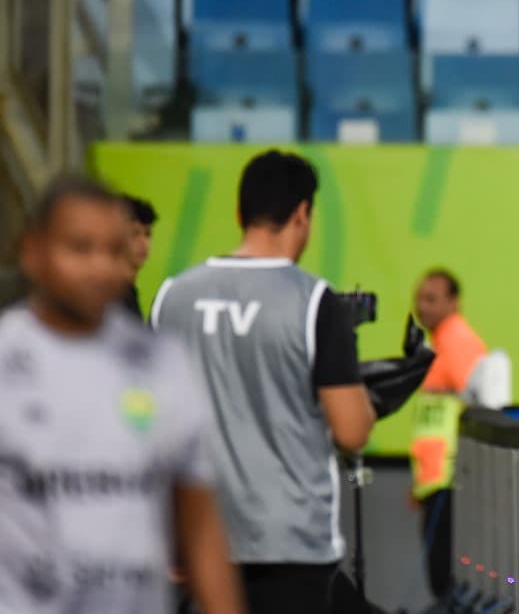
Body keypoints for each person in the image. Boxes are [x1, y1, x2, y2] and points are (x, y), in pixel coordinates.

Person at [0, 176, 243, 614]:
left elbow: (199, 522)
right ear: (33, 252)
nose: (100, 268)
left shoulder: (163, 362)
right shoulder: (7, 360)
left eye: (114, 251)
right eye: (80, 249)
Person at [150, 151, 375, 614]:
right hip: (290, 538)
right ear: (302, 214)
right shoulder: (313, 302)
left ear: (239, 213)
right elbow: (351, 430)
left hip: (201, 533)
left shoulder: (172, 297)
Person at [404, 268, 487, 608]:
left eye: (431, 299)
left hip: (451, 478)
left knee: (445, 579)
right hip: (436, 481)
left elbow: (481, 404)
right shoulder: (439, 343)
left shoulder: (457, 342)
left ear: (454, 302)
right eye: (419, 298)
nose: (422, 306)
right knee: (440, 577)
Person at [119, 194, 157, 320]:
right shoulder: (105, 298)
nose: (143, 243)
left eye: (147, 234)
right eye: (134, 234)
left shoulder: (129, 293)